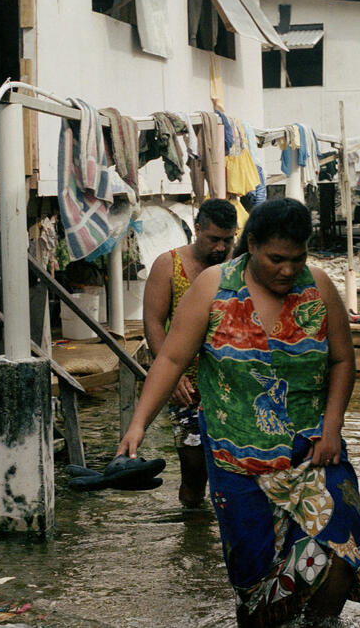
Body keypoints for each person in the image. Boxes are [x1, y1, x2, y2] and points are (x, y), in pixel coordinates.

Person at [118, 199, 360, 627]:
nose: (286, 270)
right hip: (235, 461)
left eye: (296, 260)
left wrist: (333, 427)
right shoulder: (212, 287)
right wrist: (137, 425)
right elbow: (169, 360)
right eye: (276, 259)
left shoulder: (318, 287)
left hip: (314, 452)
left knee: (339, 550)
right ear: (252, 245)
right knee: (256, 584)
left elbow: (342, 361)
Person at [142, 198, 237, 507]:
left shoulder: (239, 266)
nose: (221, 248)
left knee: (234, 470)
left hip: (232, 384)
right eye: (214, 239)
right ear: (197, 230)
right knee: (194, 469)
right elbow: (154, 323)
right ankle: (193, 538)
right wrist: (174, 376)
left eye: (228, 240)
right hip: (188, 384)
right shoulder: (169, 265)